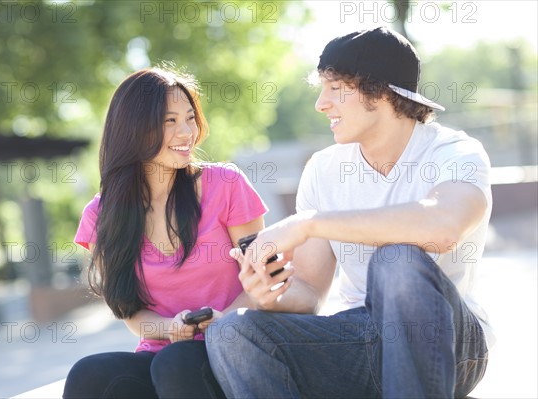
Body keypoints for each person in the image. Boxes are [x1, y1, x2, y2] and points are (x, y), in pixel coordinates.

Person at [206, 27, 493, 398]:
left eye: (335, 87)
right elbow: (309, 293)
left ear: (381, 90)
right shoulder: (324, 169)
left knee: (397, 261)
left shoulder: (455, 152)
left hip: (450, 342)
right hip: (360, 338)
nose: (321, 104)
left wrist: (308, 224)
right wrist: (271, 293)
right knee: (232, 331)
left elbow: (443, 227)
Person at [63, 67, 268, 398]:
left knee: (174, 363)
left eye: (190, 118)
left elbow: (262, 282)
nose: (186, 131)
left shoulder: (226, 185)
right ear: (133, 129)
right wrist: (171, 329)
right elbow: (130, 311)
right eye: (170, 121)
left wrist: (222, 321)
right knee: (89, 374)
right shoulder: (101, 215)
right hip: (163, 356)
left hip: (235, 345)